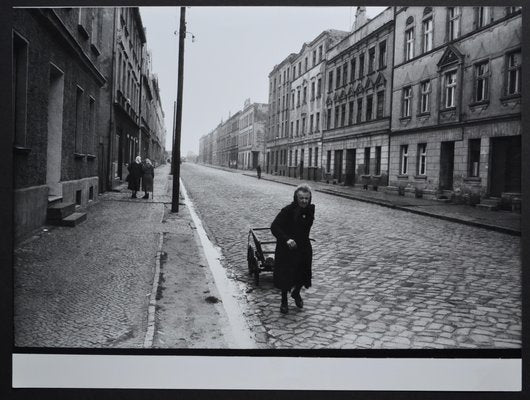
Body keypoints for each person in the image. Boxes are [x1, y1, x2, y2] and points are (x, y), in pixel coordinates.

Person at [271, 184, 315, 314]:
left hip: (303, 246)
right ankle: (284, 301)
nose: (304, 201)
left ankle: (296, 293)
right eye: (301, 198)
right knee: (286, 275)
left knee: (304, 272)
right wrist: (287, 239)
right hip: (287, 248)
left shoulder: (310, 210)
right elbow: (274, 227)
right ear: (296, 197)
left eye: (306, 198)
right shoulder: (288, 210)